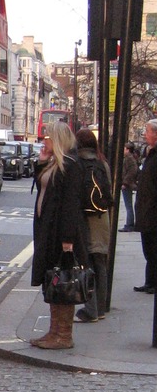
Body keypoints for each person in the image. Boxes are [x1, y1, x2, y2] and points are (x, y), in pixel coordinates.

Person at [30, 121, 89, 350]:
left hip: (61, 235)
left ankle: (63, 335)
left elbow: (70, 206)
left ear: (59, 139)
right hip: (48, 231)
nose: (45, 140)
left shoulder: (72, 166)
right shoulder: (56, 163)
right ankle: (53, 331)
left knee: (64, 282)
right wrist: (43, 161)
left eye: (49, 137)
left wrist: (67, 241)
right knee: (53, 281)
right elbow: (42, 187)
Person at [75, 128, 111, 323]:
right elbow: (109, 193)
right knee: (100, 263)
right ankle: (101, 308)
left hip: (85, 218)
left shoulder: (78, 162)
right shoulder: (102, 163)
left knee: (86, 263)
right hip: (101, 217)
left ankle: (90, 309)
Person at [133, 118, 157, 294]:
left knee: (153, 251)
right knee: (148, 250)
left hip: (152, 212)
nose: (144, 134)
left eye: (147, 131)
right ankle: (150, 281)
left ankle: (153, 282)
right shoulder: (150, 154)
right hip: (145, 210)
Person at [119, 142, 139, 231]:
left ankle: (129, 224)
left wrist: (125, 182)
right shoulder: (128, 158)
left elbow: (132, 171)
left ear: (127, 150)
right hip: (128, 184)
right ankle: (129, 223)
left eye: (124, 148)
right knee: (129, 205)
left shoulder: (129, 159)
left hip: (127, 185)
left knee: (128, 205)